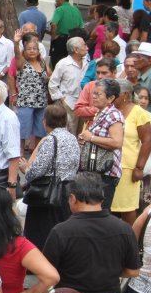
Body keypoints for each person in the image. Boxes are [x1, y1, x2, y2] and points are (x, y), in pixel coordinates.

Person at [18, 104, 80, 248]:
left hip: (48, 193)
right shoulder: (72, 138)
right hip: (67, 190)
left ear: (45, 122)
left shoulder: (50, 140)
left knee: (42, 231)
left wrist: (26, 169)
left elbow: (38, 169)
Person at [78, 78, 125, 210]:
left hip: (106, 173)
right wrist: (85, 139)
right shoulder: (100, 112)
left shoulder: (113, 115)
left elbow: (117, 142)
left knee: (100, 211)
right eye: (93, 93)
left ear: (110, 98)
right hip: (96, 172)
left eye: (98, 94)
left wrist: (91, 137)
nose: (93, 97)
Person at [113, 78, 151, 223]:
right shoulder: (109, 110)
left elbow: (147, 141)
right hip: (109, 166)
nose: (111, 96)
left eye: (115, 93)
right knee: (109, 206)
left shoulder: (139, 113)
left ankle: (131, 243)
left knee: (127, 208)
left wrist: (139, 168)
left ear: (126, 95)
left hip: (128, 168)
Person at [49, 0, 84, 66]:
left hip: (61, 40)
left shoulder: (59, 10)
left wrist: (53, 36)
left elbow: (54, 24)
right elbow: (81, 26)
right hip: (73, 40)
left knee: (57, 63)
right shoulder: (76, 10)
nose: (56, 1)